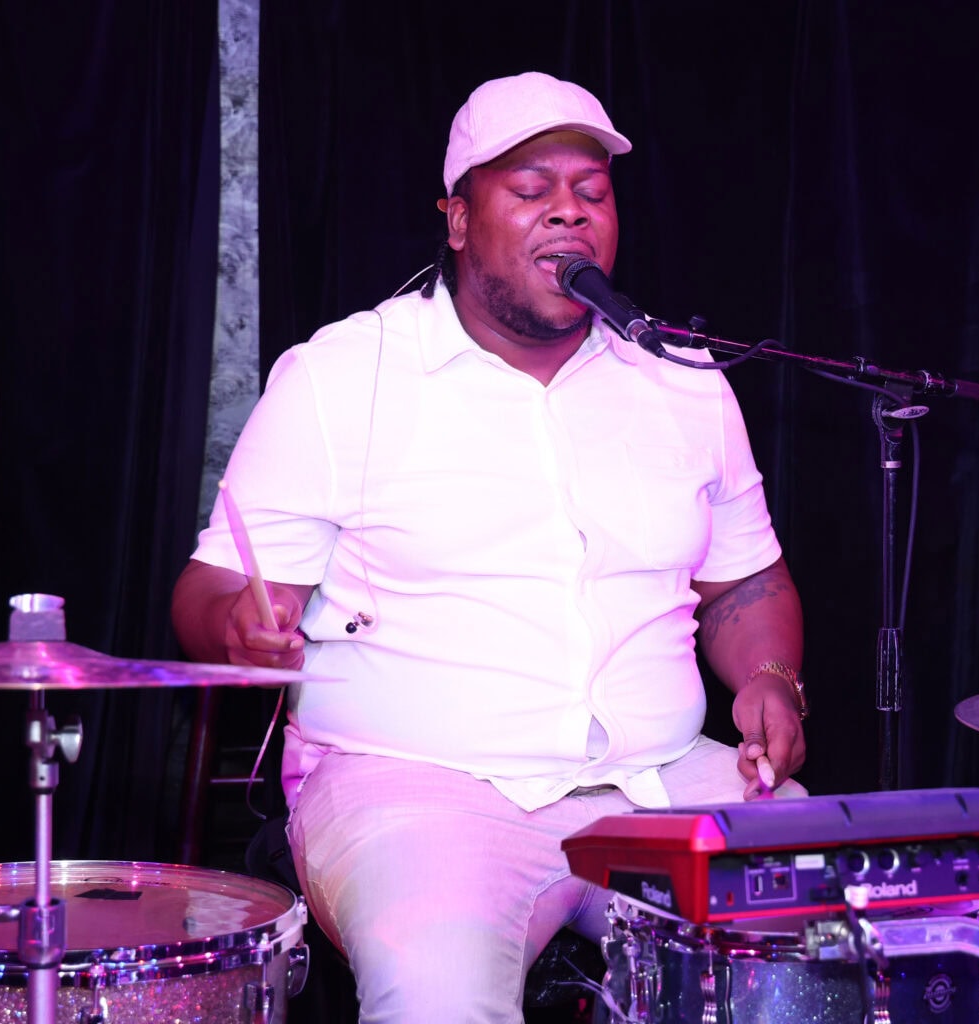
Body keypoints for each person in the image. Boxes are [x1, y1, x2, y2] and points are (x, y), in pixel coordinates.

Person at [171, 70, 807, 1022]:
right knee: (437, 997)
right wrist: (239, 628)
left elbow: (745, 581)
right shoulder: (344, 375)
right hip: (416, 790)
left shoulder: (680, 380)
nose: (569, 214)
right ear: (459, 220)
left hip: (664, 778)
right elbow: (209, 588)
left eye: (591, 193)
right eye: (530, 191)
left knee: (834, 943)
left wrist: (768, 676)